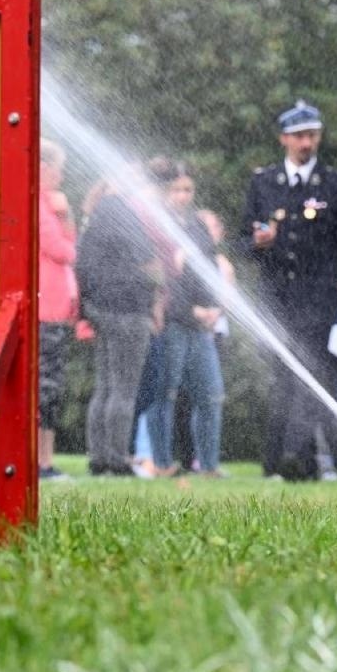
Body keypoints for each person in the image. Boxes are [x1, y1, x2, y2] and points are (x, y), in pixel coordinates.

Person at [243, 101, 337, 480]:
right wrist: (258, 243)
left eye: (312, 135)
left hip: (319, 298)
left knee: (309, 374)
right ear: (284, 138)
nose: (306, 143)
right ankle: (280, 462)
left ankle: (296, 460)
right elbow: (241, 241)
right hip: (276, 300)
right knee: (282, 376)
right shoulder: (263, 182)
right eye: (299, 136)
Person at [76, 166, 161, 477]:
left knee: (105, 386)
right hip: (127, 309)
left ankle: (99, 458)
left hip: (100, 309)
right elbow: (147, 258)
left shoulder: (96, 213)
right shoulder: (122, 211)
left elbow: (83, 263)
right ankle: (117, 459)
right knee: (124, 389)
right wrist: (157, 290)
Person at [145, 159, 226, 477]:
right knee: (164, 393)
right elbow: (162, 276)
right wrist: (187, 309)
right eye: (177, 189)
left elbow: (212, 267)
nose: (183, 195)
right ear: (167, 191)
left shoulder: (198, 224)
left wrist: (215, 307)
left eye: (188, 189)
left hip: (202, 324)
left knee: (211, 394)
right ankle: (162, 464)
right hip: (174, 322)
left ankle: (209, 466)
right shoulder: (157, 223)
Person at [36, 139, 77, 481]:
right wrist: (63, 215)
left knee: (51, 387)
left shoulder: (49, 206)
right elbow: (63, 250)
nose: (61, 176)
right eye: (58, 168)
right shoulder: (41, 206)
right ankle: (41, 462)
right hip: (45, 310)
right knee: (45, 387)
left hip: (56, 310)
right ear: (44, 167)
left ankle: (45, 460)